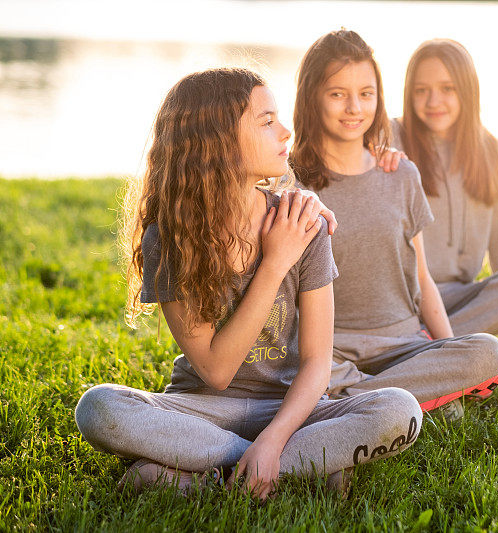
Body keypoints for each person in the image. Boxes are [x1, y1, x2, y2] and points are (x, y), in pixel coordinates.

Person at [73, 67, 422, 500]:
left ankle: (210, 475)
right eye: (267, 121)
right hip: (202, 410)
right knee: (99, 408)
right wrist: (275, 263)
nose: (286, 131)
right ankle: (298, 469)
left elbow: (316, 363)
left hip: (290, 409)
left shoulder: (301, 222)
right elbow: (217, 371)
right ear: (217, 141)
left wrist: (274, 438)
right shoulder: (168, 239)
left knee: (400, 410)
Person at [290, 30, 498, 420]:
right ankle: (353, 396)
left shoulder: (401, 173)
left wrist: (449, 351)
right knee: (448, 414)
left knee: (488, 352)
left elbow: (422, 277)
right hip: (328, 349)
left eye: (366, 93)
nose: (354, 107)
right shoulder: (294, 185)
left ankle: (347, 400)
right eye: (338, 93)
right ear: (312, 97)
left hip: (402, 342)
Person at [391, 38, 498, 349]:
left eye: (447, 88)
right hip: (400, 299)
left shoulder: (492, 154)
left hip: (460, 300)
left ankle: (422, 347)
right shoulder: (390, 139)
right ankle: (421, 344)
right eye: (421, 90)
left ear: (467, 90)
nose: (434, 101)